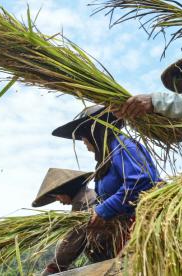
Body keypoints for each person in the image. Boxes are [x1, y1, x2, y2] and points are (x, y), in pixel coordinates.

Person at [40, 105, 160, 275]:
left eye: (83, 137)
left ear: (94, 133)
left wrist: (104, 210)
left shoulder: (122, 145)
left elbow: (140, 181)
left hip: (142, 229)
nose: (83, 143)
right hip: (123, 235)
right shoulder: (106, 159)